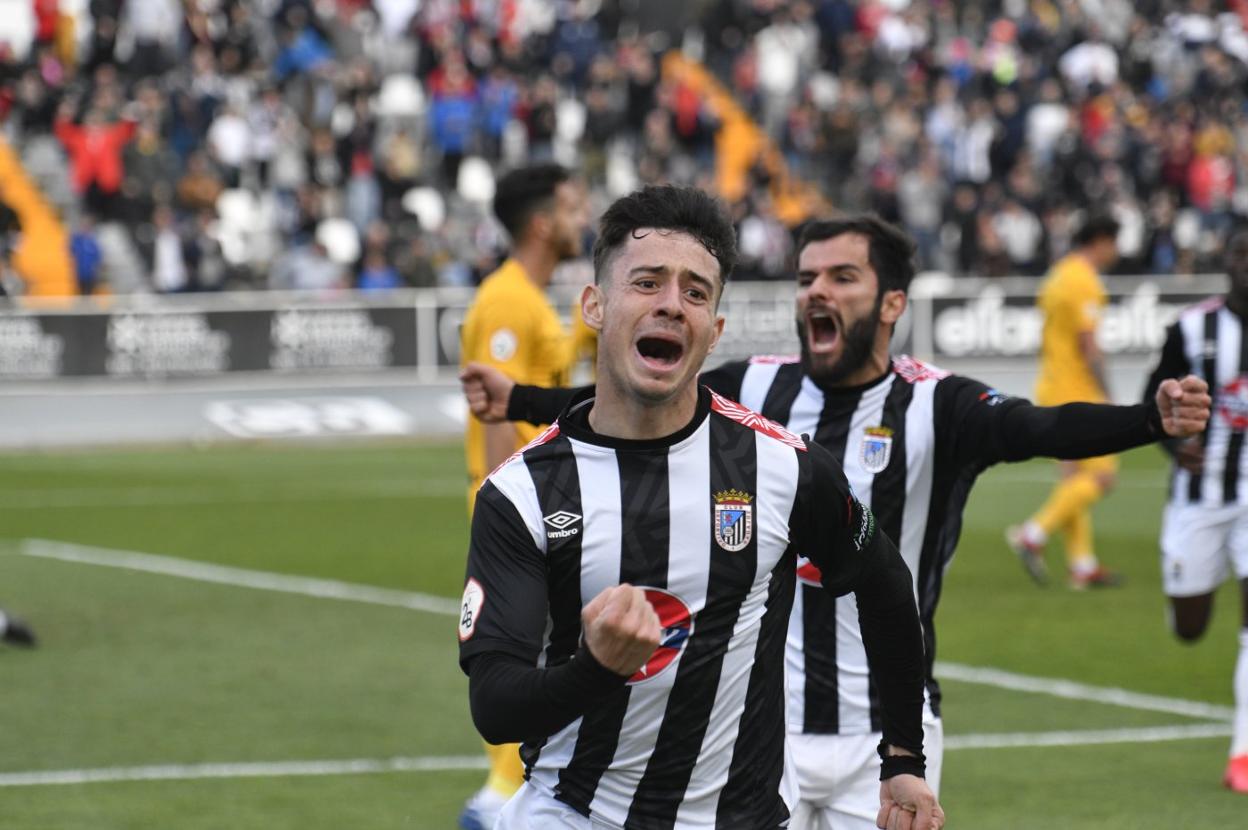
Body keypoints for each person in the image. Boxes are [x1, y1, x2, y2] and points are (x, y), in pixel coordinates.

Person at [463, 214, 1211, 829]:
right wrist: (521, 400)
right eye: (805, 278)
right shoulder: (756, 386)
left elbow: (1042, 429)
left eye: (841, 277)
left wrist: (1150, 419)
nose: (816, 291)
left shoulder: (931, 406)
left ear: (891, 303)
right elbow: (633, 401)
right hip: (763, 726)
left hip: (877, 727)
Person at [458, 190, 942, 829]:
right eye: (647, 282)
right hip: (574, 815)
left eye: (695, 292)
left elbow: (885, 584)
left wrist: (903, 754)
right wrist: (595, 669)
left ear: (714, 330)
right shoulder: (521, 493)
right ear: (595, 306)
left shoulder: (783, 465)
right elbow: (495, 706)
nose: (670, 304)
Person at [457, 162, 593, 830]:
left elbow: (546, 388)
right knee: (527, 671)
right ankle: (495, 805)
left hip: (547, 509)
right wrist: (503, 510)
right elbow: (495, 408)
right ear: (542, 222)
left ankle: (506, 797)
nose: (581, 219)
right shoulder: (508, 301)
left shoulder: (533, 298)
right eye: (572, 208)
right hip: (527, 517)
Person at [1141, 226, 1248, 793]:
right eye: (1241, 255)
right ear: (1227, 262)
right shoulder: (1191, 329)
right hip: (1200, 498)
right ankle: (1186, 587)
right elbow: (1149, 402)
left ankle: (1243, 755)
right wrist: (1172, 443)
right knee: (1190, 625)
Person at [1007, 214, 1126, 589]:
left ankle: (1082, 565)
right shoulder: (1084, 282)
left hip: (1052, 386)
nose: (1117, 251)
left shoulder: (1057, 275)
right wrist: (1108, 393)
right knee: (1103, 476)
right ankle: (1033, 532)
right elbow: (1089, 345)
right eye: (1114, 242)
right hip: (1077, 391)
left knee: (1073, 478)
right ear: (1102, 240)